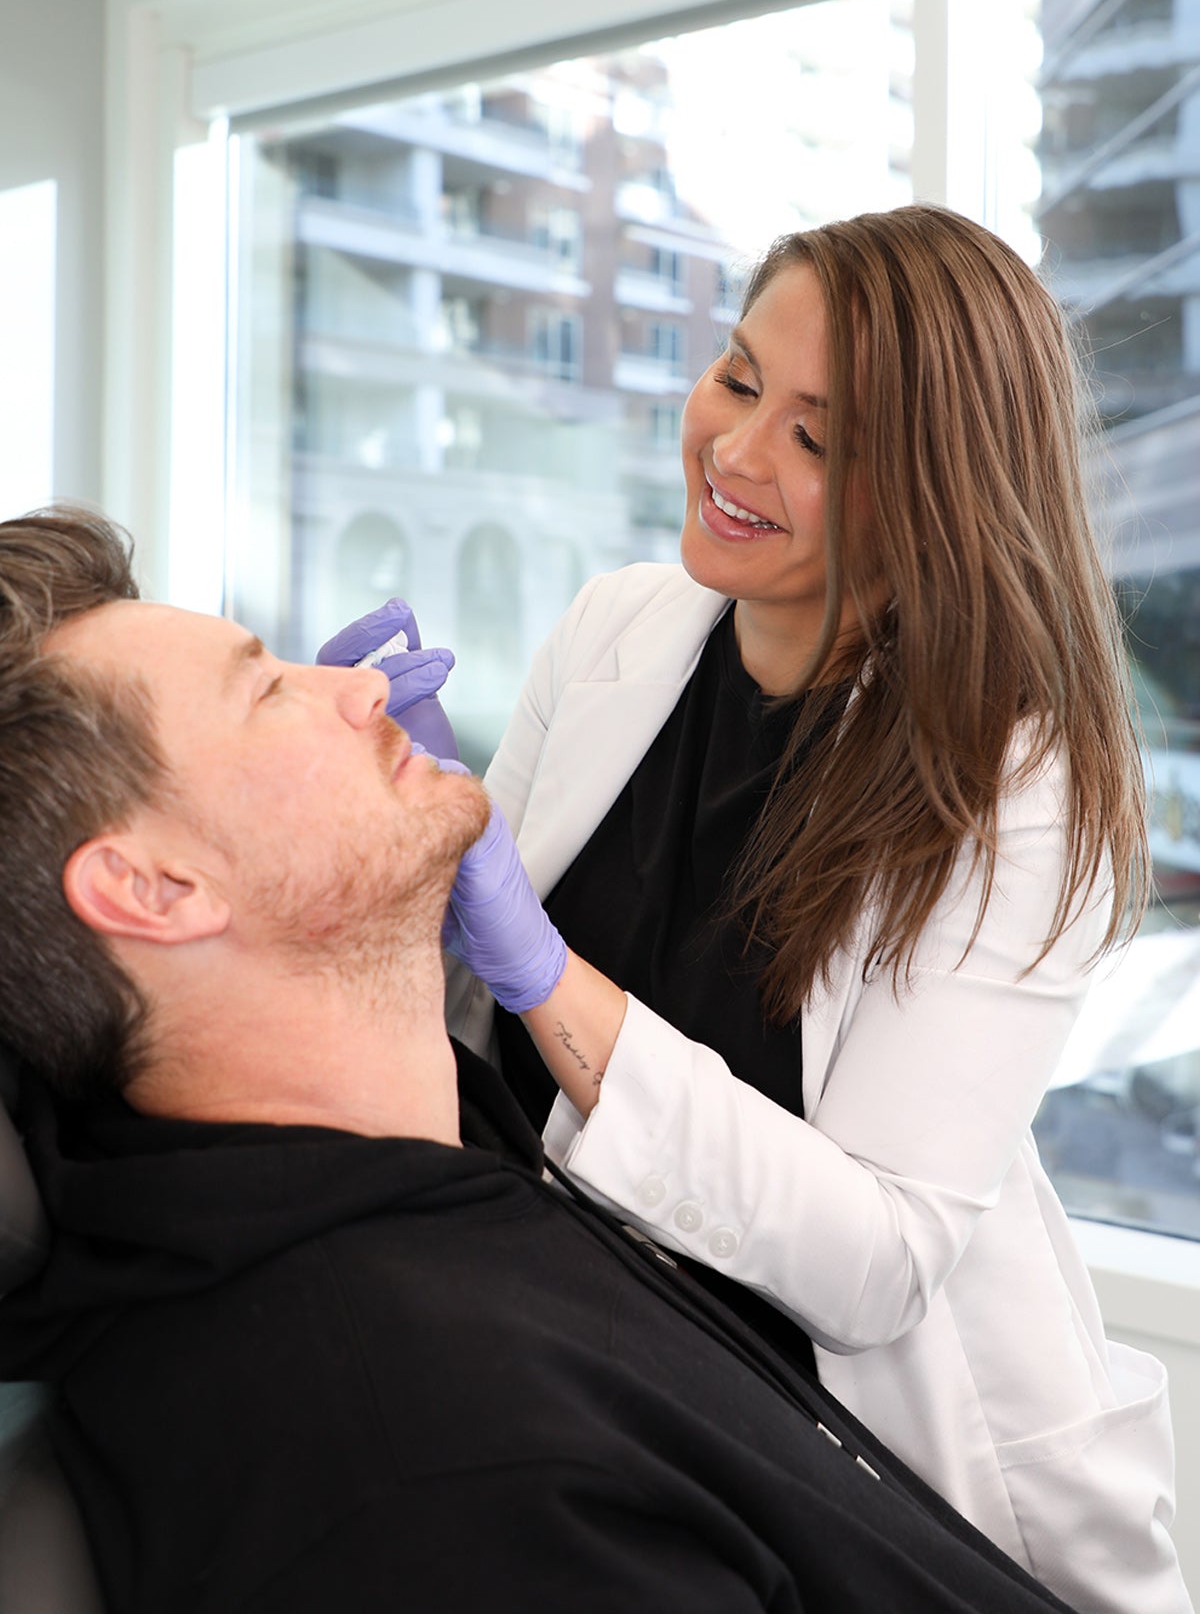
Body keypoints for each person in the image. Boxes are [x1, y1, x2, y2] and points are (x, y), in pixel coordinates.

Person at [326, 206, 1190, 1614]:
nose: (734, 456)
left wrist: (547, 974)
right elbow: (470, 1024)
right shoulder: (615, 628)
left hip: (868, 1457)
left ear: (935, 491)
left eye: (818, 438)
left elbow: (878, 1264)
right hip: (608, 1372)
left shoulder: (1006, 779)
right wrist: (392, 848)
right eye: (737, 380)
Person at [0, 507, 1088, 1614]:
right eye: (268, 689)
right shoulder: (442, 1470)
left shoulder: (434, 1165)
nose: (361, 687)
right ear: (154, 890)